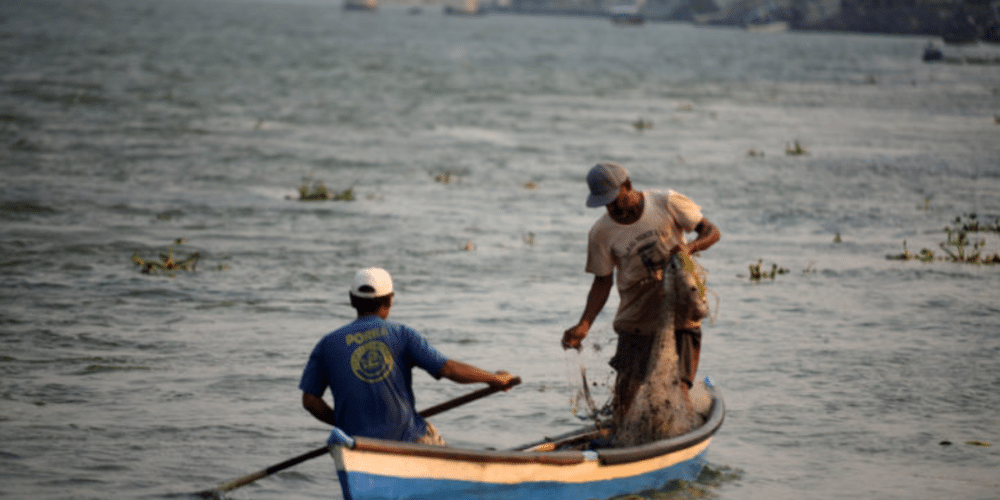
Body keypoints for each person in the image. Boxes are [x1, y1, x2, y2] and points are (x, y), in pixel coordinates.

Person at [562, 163, 720, 420]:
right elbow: (602, 283)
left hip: (681, 306)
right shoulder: (601, 233)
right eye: (605, 204)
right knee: (625, 396)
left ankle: (682, 439)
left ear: (627, 186)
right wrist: (584, 325)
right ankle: (622, 444)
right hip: (637, 315)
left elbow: (712, 232)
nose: (612, 208)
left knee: (679, 388)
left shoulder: (666, 202)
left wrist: (689, 249)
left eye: (614, 200)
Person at [300, 267, 516, 445]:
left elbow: (310, 401)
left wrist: (342, 423)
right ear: (390, 301)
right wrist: (494, 378)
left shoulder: (327, 344)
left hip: (354, 440)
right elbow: (448, 369)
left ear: (351, 300)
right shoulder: (403, 335)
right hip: (406, 439)